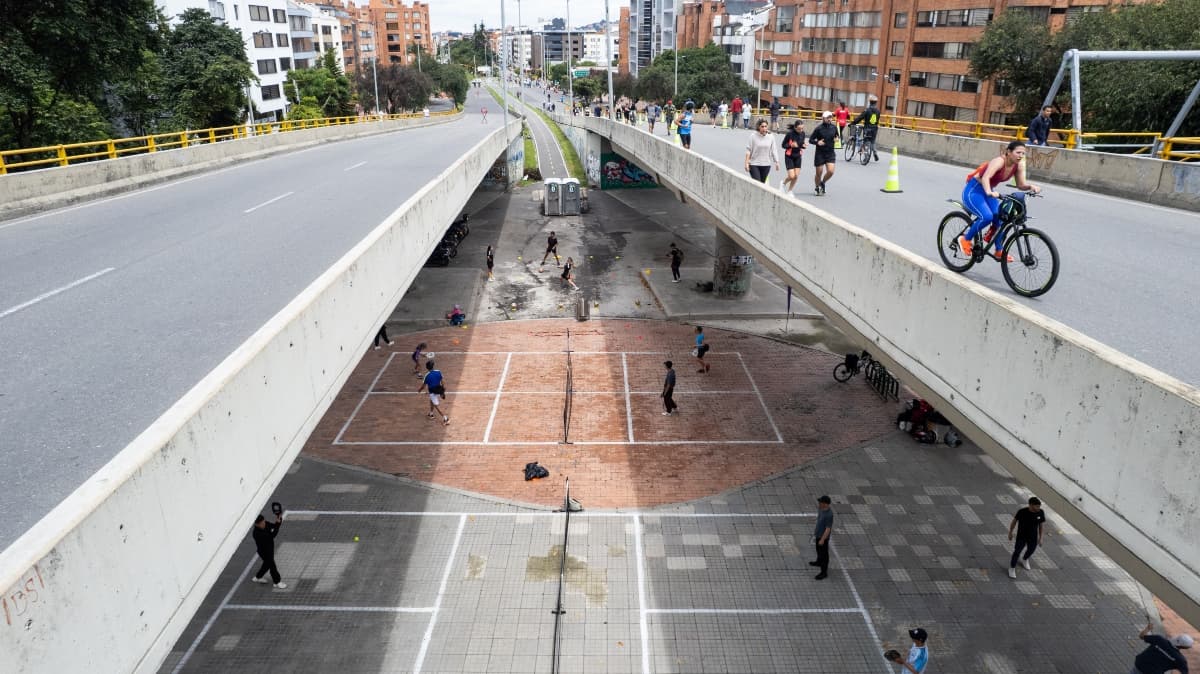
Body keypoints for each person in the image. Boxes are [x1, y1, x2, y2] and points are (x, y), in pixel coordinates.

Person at [958, 140, 1042, 260]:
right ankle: (965, 239)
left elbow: (1020, 184)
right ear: (1008, 152)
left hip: (989, 192)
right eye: (1018, 153)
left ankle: (999, 250)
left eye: (1023, 153)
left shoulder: (1018, 165)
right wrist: (989, 192)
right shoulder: (999, 161)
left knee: (1001, 218)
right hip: (974, 190)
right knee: (987, 217)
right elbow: (986, 177)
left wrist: (1030, 186)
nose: (1021, 156)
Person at [1007, 496, 1046, 578]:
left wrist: (1041, 537)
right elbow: (1014, 522)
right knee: (1017, 552)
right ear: (1031, 505)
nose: (1039, 508)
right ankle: (1012, 568)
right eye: (1037, 506)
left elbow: (1041, 526)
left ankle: (1024, 559)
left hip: (1033, 537)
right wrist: (1010, 532)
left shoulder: (1040, 512)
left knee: (1031, 550)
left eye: (1039, 506)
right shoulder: (1022, 512)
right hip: (1021, 536)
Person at [249, 513, 287, 589]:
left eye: (264, 521)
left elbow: (273, 526)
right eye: (262, 523)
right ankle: (277, 582)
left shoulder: (265, 524)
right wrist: (278, 525)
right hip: (264, 552)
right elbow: (272, 535)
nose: (264, 524)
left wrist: (278, 521)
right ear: (257, 524)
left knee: (267, 564)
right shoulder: (257, 533)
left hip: (269, 548)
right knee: (272, 565)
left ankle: (257, 577)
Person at [809, 111, 839, 195]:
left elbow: (838, 136)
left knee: (831, 171)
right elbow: (811, 140)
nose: (830, 119)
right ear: (823, 118)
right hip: (820, 153)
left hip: (830, 153)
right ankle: (817, 187)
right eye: (828, 117)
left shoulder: (834, 127)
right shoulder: (818, 128)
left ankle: (822, 183)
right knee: (819, 172)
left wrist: (837, 139)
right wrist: (817, 142)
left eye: (831, 117)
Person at [745, 119, 780, 184]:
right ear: (759, 127)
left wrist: (777, 162)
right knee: (757, 183)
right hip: (754, 164)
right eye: (762, 126)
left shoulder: (771, 136)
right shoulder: (753, 136)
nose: (764, 128)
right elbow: (748, 150)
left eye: (765, 126)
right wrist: (746, 163)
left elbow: (774, 150)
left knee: (762, 184)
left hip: (766, 164)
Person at [849, 95, 881, 161]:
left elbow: (860, 118)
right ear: (876, 102)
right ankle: (875, 152)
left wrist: (853, 123)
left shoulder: (867, 110)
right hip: (875, 128)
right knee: (872, 141)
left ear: (870, 102)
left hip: (867, 128)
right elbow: (877, 120)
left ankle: (866, 156)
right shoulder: (878, 111)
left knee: (865, 141)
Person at [418, 359, 449, 425]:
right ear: (433, 366)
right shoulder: (438, 372)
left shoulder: (427, 375)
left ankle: (445, 418)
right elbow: (442, 381)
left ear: (427, 367)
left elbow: (423, 386)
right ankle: (431, 414)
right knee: (431, 401)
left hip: (433, 392)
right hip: (439, 389)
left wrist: (419, 390)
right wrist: (443, 390)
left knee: (437, 406)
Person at [780, 121, 807, 197]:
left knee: (796, 176)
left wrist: (803, 146)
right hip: (789, 156)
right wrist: (791, 145)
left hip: (798, 156)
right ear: (795, 128)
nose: (801, 130)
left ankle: (790, 191)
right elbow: (783, 145)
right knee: (791, 176)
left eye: (802, 128)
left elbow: (801, 144)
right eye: (799, 129)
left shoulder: (803, 133)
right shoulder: (790, 134)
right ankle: (783, 183)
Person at [810, 495, 833, 580]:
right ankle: (818, 562)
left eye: (821, 502)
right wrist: (816, 518)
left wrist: (823, 539)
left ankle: (824, 572)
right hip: (818, 534)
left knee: (824, 555)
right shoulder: (821, 508)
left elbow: (828, 529)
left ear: (825, 504)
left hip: (823, 537)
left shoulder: (829, 515)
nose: (819, 503)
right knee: (818, 550)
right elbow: (820, 515)